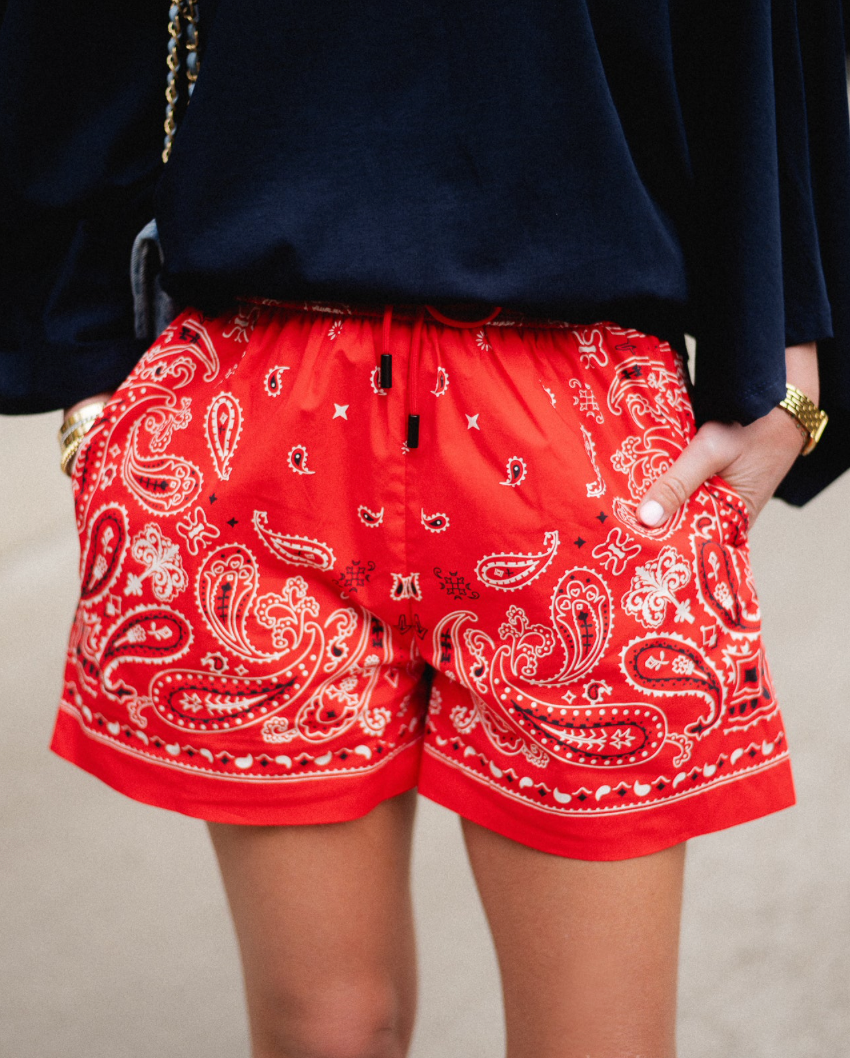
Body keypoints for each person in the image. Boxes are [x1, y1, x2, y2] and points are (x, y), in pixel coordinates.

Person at [2, 3, 849, 1057]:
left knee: (597, 1042)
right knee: (323, 1032)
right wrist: (82, 353)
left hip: (581, 414)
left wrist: (787, 328)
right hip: (250, 399)